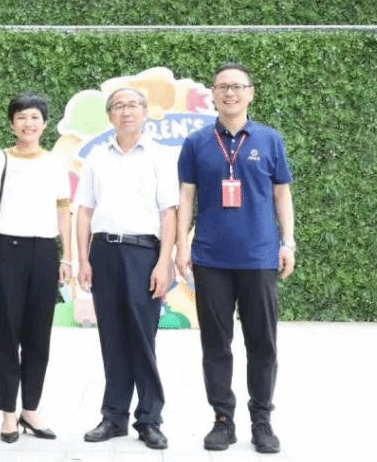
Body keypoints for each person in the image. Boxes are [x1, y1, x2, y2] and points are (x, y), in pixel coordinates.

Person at [176, 62, 295, 454]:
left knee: (263, 344)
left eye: (238, 86)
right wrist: (181, 247)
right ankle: (222, 420)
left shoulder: (269, 139)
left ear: (250, 93)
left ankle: (262, 420)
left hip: (259, 258)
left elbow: (282, 194)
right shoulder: (197, 142)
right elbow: (186, 197)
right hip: (210, 259)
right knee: (216, 344)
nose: (230, 93)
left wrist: (288, 243)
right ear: (213, 94)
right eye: (223, 86)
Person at [74, 87, 178, 451]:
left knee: (142, 338)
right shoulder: (97, 157)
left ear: (145, 112)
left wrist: (163, 262)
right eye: (119, 106)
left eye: (133, 105)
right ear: (110, 116)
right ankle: (114, 417)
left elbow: (169, 213)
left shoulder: (161, 156)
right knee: (112, 337)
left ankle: (149, 419)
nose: (126, 111)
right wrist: (83, 258)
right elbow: (84, 210)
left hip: (143, 253)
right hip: (103, 252)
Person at [0, 93, 73, 443]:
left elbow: (64, 211)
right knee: (7, 335)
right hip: (7, 251)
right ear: (12, 123)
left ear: (45, 123)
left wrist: (67, 256)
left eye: (34, 117)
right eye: (21, 117)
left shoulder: (56, 162)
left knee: (38, 336)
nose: (28, 124)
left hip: (44, 251)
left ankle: (31, 410)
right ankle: (7, 415)